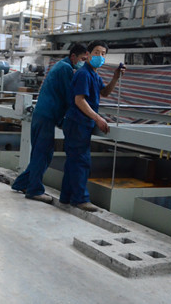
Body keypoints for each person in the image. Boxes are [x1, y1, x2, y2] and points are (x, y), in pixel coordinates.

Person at [11, 43, 88, 204]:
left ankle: (22, 183)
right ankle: (34, 190)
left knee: (41, 153)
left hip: (43, 114)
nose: (83, 62)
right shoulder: (66, 69)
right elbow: (69, 96)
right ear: (73, 56)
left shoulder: (61, 66)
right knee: (43, 153)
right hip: (46, 115)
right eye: (82, 59)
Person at [59, 40, 125, 212]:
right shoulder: (84, 74)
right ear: (88, 54)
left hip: (82, 123)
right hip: (77, 123)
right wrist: (97, 118)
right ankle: (80, 199)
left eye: (103, 54)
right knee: (81, 161)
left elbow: (105, 92)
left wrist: (115, 77)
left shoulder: (94, 75)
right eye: (96, 52)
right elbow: (79, 100)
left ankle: (66, 197)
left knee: (73, 162)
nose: (100, 56)